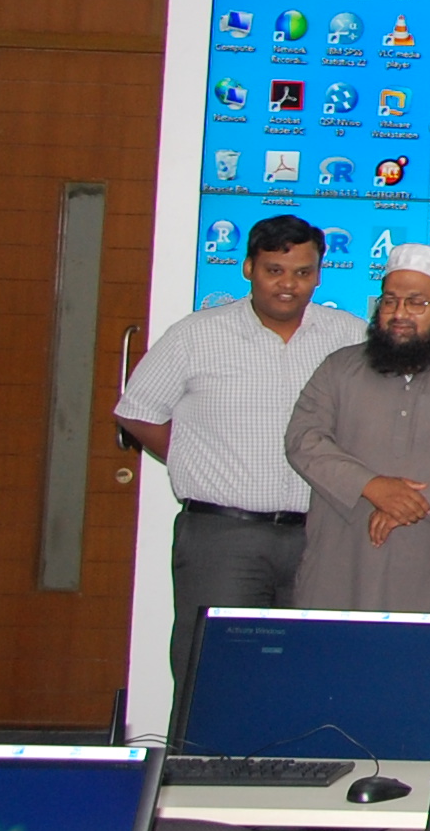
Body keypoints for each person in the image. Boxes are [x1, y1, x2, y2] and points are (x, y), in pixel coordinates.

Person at [118, 215, 366, 687]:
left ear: (319, 274)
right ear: (249, 268)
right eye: (274, 270)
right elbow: (137, 413)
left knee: (308, 676)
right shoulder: (195, 335)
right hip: (223, 537)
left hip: (320, 537)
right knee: (214, 674)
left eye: (302, 272)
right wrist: (192, 456)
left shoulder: (350, 337)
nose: (288, 284)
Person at [283, 246, 430, 617]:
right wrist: (371, 486)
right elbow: (304, 439)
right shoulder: (339, 368)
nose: (400, 314)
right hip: (346, 552)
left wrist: (419, 503)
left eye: (416, 303)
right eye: (390, 301)